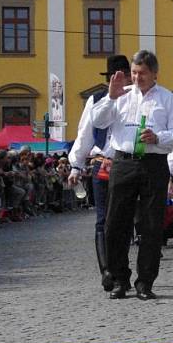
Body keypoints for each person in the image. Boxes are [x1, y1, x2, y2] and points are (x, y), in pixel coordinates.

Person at [91, 50, 173, 299]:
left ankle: (145, 281)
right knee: (115, 224)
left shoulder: (167, 99)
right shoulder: (119, 97)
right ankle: (120, 279)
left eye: (142, 73)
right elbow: (98, 121)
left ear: (154, 73)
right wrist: (110, 98)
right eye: (134, 72)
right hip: (123, 162)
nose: (137, 77)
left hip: (153, 164)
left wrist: (159, 137)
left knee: (151, 225)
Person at [68, 54, 131, 292]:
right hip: (101, 163)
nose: (119, 81)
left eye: (123, 76)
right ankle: (107, 271)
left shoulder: (137, 99)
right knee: (102, 219)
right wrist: (75, 164)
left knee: (124, 221)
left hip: (126, 164)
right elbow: (84, 132)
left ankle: (120, 270)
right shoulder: (97, 99)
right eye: (114, 77)